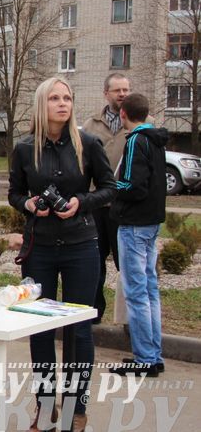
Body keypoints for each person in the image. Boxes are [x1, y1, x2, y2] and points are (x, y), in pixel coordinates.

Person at [8, 77, 116, 432]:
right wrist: (27, 204)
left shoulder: (88, 143)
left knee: (79, 329)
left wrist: (80, 203)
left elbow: (108, 188)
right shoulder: (25, 149)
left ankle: (77, 409)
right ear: (42, 104)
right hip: (39, 248)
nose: (62, 103)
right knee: (40, 328)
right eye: (54, 97)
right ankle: (45, 406)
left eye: (67, 97)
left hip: (81, 247)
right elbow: (14, 192)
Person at [109, 93, 168, 377]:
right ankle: (153, 354)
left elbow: (133, 185)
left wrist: (111, 186)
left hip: (134, 223)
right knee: (149, 289)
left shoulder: (135, 141)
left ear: (123, 114)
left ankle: (145, 358)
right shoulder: (156, 140)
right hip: (152, 222)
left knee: (136, 292)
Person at [82, 73, 130, 323]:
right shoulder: (91, 125)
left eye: (126, 90)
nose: (122, 94)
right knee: (95, 260)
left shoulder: (143, 123)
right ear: (106, 94)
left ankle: (127, 319)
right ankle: (94, 312)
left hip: (124, 206)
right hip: (97, 204)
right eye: (117, 90)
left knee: (126, 264)